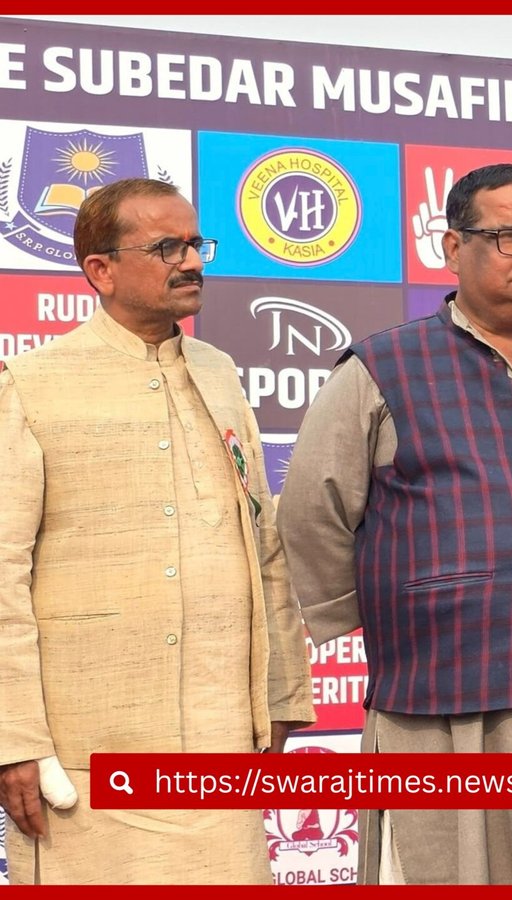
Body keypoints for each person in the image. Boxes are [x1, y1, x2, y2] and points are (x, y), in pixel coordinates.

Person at [276, 163, 512, 885]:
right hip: (438, 694)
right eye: (510, 236)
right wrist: (408, 606)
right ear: (452, 247)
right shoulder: (382, 368)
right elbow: (313, 511)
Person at [0, 177, 315, 883]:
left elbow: (261, 542)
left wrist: (282, 694)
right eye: (167, 248)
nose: (192, 262)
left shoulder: (219, 373)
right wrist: (12, 736)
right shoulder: (31, 382)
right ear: (101, 269)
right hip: (87, 747)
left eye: (196, 244)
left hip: (222, 736)